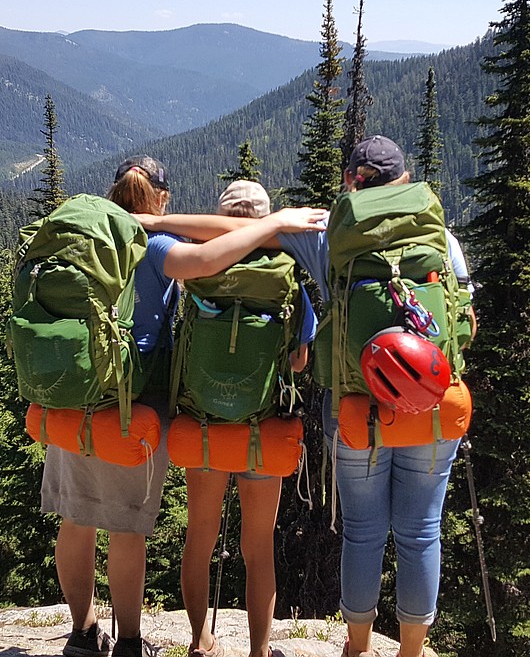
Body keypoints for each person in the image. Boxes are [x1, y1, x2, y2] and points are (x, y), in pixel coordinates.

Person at [136, 137, 474, 657]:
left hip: (356, 411)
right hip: (432, 407)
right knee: (421, 532)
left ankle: (357, 648)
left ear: (349, 184)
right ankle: (409, 652)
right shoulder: (440, 238)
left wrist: (158, 223)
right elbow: (465, 324)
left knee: (362, 533)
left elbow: (243, 233)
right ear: (404, 183)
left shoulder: (331, 237)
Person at [44, 156, 328, 657]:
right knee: (144, 530)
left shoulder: (96, 237)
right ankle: (199, 648)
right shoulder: (164, 249)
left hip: (87, 390)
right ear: (162, 200)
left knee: (89, 520)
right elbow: (300, 360)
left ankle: (119, 635)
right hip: (184, 410)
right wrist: (279, 226)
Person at [178, 180, 318, 657]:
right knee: (258, 547)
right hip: (261, 427)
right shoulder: (285, 278)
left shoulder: (198, 272)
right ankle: (259, 651)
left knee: (200, 537)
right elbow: (298, 362)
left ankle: (199, 641)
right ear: (265, 219)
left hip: (203, 426)